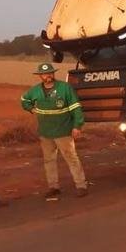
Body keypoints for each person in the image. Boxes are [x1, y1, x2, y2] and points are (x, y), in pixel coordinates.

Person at [21, 63, 89, 199]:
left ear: (54, 74)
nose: (48, 76)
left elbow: (76, 107)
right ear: (40, 76)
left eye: (50, 73)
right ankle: (53, 187)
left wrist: (77, 126)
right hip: (45, 132)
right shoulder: (34, 91)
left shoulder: (65, 88)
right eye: (45, 74)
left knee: (71, 158)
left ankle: (81, 185)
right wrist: (31, 109)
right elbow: (24, 100)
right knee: (49, 160)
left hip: (63, 131)